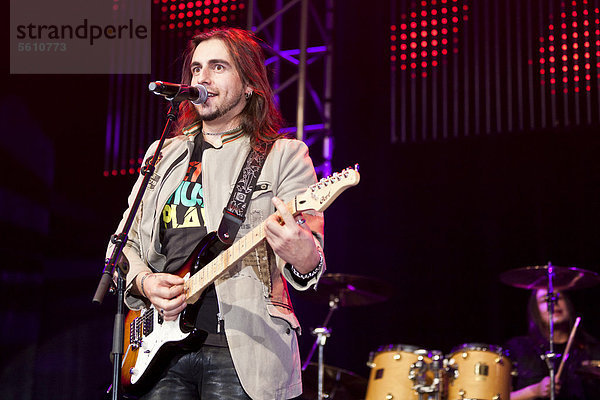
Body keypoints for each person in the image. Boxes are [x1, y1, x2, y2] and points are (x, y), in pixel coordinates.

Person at [106, 27, 326, 399]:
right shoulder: (162, 155)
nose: (202, 78)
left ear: (250, 84)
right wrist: (145, 283)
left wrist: (302, 252)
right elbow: (122, 245)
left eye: (218, 67)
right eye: (195, 69)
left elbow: (310, 260)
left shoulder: (284, 156)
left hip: (246, 350)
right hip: (159, 348)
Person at [505, 288, 600, 400]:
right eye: (546, 299)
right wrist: (534, 391)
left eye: (558, 297)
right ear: (535, 309)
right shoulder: (518, 347)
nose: (554, 303)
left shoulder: (592, 348)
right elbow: (496, 396)